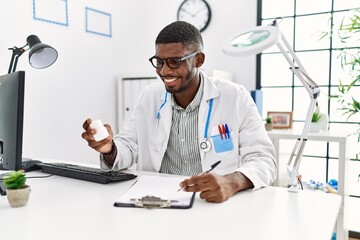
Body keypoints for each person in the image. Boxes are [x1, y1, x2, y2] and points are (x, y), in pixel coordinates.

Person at [82, 21, 276, 203]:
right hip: (157, 199)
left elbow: (264, 159)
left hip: (209, 201)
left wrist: (231, 181)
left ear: (199, 60)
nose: (164, 71)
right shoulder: (149, 97)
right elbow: (130, 147)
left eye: (175, 61)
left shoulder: (235, 97)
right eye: (159, 61)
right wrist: (109, 148)